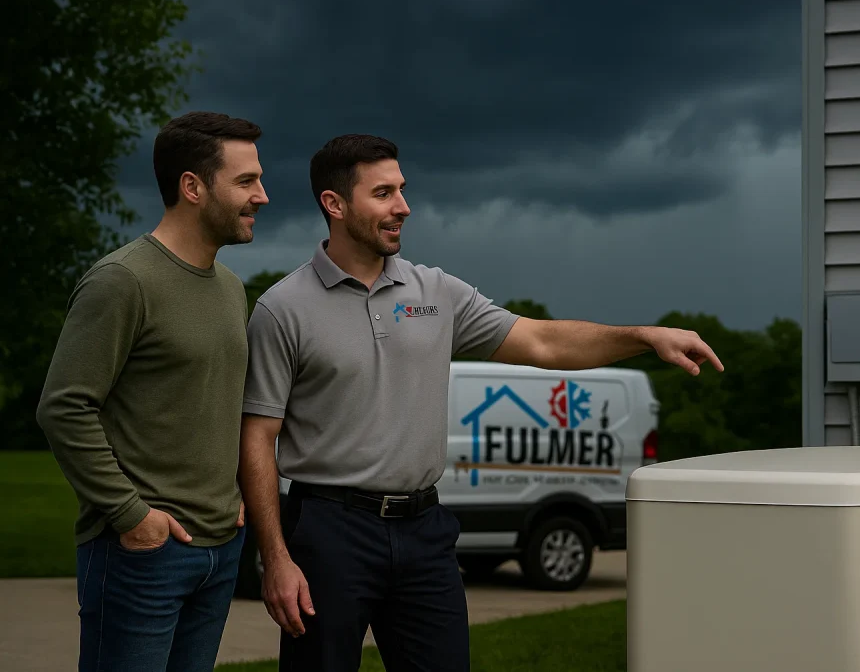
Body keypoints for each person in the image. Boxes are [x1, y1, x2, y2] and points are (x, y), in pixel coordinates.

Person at [238, 134, 723, 672]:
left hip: (424, 531)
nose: (403, 206)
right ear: (334, 204)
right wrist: (276, 558)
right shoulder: (282, 310)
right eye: (382, 193)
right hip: (330, 533)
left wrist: (644, 337)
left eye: (401, 190)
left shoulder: (437, 292)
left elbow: (543, 341)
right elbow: (256, 438)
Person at [35, 111, 269, 672]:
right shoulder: (123, 281)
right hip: (142, 554)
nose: (262, 195)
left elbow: (218, 404)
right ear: (192, 187)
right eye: (245, 181)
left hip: (220, 548)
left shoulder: (231, 289)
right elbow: (64, 407)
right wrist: (132, 516)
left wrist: (233, 498)